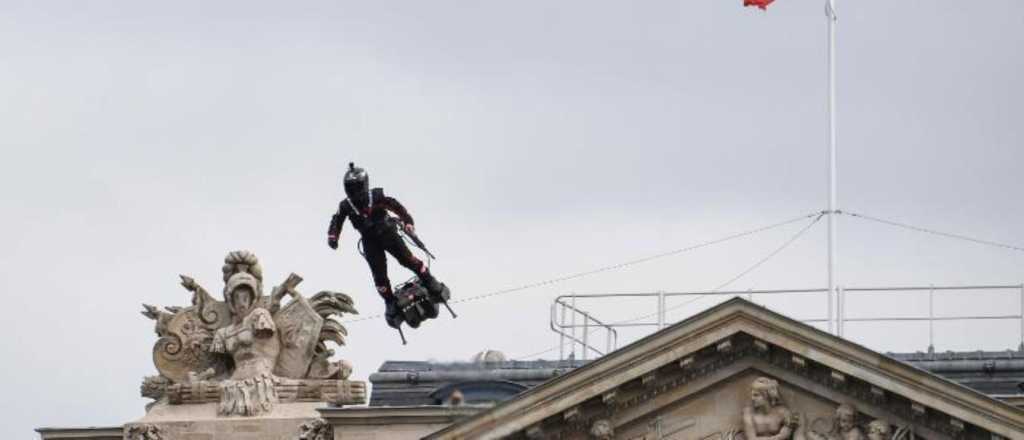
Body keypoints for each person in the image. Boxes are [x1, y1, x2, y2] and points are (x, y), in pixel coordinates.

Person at [326, 162, 446, 328]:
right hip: (369, 242)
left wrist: (408, 221)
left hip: (388, 233)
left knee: (408, 260)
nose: (354, 192)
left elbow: (395, 205)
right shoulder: (345, 205)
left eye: (357, 187)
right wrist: (333, 237)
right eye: (350, 188)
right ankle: (390, 302)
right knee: (379, 276)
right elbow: (336, 220)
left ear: (365, 184)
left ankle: (429, 280)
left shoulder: (376, 196)